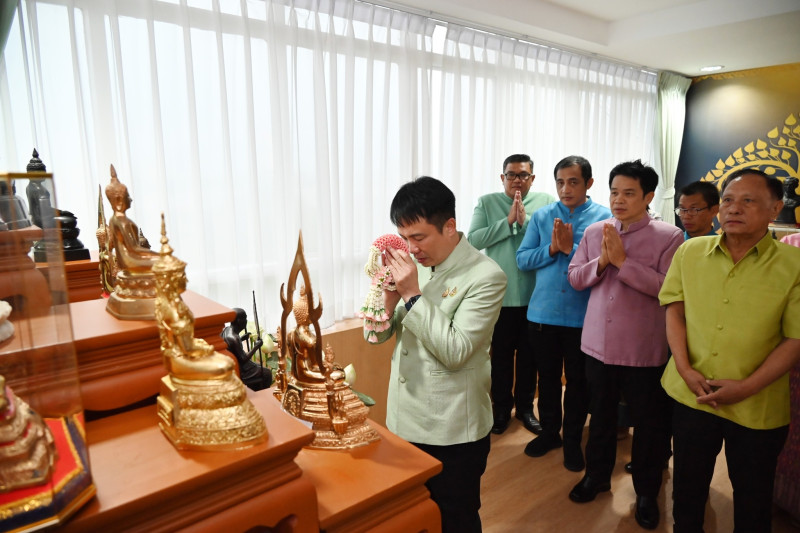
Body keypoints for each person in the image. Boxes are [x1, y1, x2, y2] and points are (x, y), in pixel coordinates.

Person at [660, 168, 800, 532]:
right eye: (728, 200)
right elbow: (674, 310)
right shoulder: (690, 251)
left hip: (757, 404)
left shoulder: (794, 265)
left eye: (748, 201)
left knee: (753, 501)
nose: (734, 208)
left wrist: (747, 387)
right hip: (692, 395)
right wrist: (684, 369)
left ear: (775, 209)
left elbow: (795, 339)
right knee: (687, 491)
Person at [365, 176, 507, 533]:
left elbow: (456, 351)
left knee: (454, 518)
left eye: (419, 237)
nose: (411, 248)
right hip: (404, 419)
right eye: (404, 237)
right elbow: (374, 337)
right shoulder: (414, 267)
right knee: (413, 516)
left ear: (449, 226)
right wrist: (388, 299)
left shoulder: (486, 276)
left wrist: (412, 295)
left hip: (452, 428)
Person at [566, 160, 683, 530]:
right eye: (614, 192)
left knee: (649, 425)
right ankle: (596, 477)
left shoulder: (670, 237)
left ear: (648, 197)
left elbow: (668, 289)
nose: (618, 200)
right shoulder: (594, 231)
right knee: (600, 417)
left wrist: (623, 262)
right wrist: (602, 261)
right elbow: (575, 277)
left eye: (629, 193)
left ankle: (647, 492)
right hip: (597, 347)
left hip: (643, 349)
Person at [515, 155, 610, 471]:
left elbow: (606, 265)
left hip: (583, 318)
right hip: (542, 316)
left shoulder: (605, 220)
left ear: (589, 183)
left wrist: (572, 249)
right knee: (548, 381)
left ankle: (572, 441)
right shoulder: (542, 216)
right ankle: (549, 433)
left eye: (573, 182)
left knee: (579, 384)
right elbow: (522, 259)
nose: (565, 189)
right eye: (560, 182)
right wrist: (553, 249)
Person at [467, 154, 554, 435]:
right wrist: (507, 222)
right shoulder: (487, 202)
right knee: (501, 358)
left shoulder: (546, 202)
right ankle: (501, 409)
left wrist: (525, 221)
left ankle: (526, 409)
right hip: (499, 298)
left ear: (532, 178)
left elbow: (553, 241)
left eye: (523, 175)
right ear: (502, 177)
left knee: (530, 359)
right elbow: (473, 240)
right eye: (511, 174)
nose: (517, 180)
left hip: (534, 296)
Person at [221, 308, 272, 391]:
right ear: (239, 321)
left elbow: (231, 346)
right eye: (245, 318)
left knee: (259, 366)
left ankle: (255, 390)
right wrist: (256, 346)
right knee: (267, 373)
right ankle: (261, 393)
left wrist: (241, 339)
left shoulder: (227, 330)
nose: (246, 321)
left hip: (236, 363)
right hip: (240, 369)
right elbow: (243, 359)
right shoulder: (234, 338)